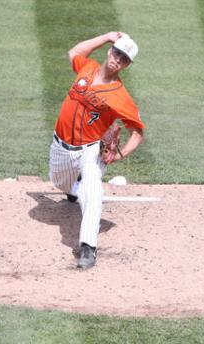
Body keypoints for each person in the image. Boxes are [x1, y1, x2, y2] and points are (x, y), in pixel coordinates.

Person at [49, 32, 146, 269]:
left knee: (93, 191)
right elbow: (74, 52)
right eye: (116, 52)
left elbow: (138, 133)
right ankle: (73, 188)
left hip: (90, 151)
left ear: (127, 65)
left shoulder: (121, 97)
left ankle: (88, 248)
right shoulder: (88, 69)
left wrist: (120, 154)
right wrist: (106, 37)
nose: (117, 60)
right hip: (60, 146)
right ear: (110, 51)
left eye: (124, 59)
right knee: (61, 183)